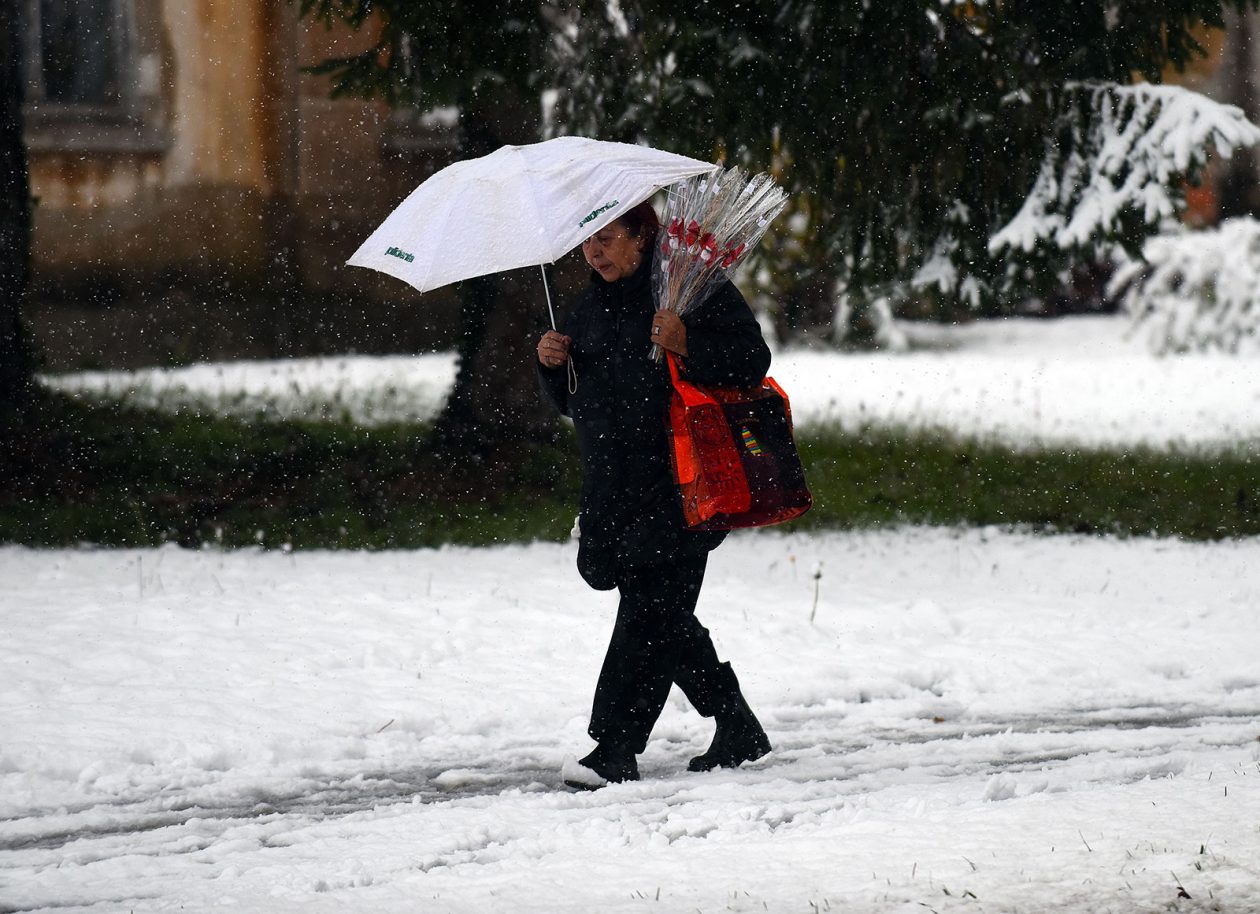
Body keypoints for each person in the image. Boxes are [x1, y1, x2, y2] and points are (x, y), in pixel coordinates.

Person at [536, 200, 773, 789]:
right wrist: (551, 366)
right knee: (662, 613)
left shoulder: (689, 289)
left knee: (647, 614)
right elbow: (576, 404)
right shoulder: (585, 311)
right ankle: (735, 724)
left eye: (608, 238)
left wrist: (686, 338)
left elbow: (751, 359)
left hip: (685, 485)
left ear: (641, 238)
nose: (594, 252)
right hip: (612, 491)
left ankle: (614, 748)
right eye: (586, 242)